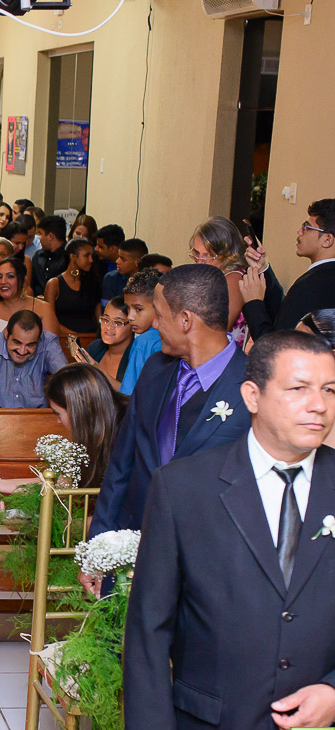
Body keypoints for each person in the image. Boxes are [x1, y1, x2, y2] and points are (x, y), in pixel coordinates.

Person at [123, 331, 335, 730]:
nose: (319, 405)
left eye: (329, 390)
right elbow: (149, 624)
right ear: (252, 396)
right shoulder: (184, 487)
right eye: (298, 389)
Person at [85, 265, 251, 555]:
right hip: (136, 543)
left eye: (159, 315)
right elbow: (122, 463)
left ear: (185, 320)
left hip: (208, 555)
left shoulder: (251, 385)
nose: (155, 325)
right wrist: (99, 547)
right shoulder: (155, 369)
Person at [0, 362, 126, 493]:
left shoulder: (127, 427)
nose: (58, 421)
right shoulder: (98, 427)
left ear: (77, 409)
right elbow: (60, 482)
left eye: (58, 413)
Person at [241, 198, 335, 340]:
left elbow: (273, 350)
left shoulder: (311, 285)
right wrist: (262, 268)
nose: (299, 231)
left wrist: (253, 302)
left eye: (306, 227)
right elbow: (286, 315)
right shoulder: (323, 278)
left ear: (327, 240)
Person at [0, 310, 68, 409]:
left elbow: (68, 379)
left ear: (39, 339)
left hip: (38, 417)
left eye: (30, 345)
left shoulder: (48, 342)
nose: (22, 351)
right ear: (6, 333)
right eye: (17, 342)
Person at [188, 216, 253, 346]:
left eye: (209, 256)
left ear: (228, 254)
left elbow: (217, 329)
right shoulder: (212, 277)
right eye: (196, 253)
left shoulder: (234, 279)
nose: (200, 261)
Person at [0, 255, 60, 345]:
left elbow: (52, 350)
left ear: (23, 280)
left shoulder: (44, 309)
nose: (3, 281)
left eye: (10, 276)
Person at [118, 268, 165, 395]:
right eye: (128, 308)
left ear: (158, 306)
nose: (130, 317)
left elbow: (129, 394)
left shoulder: (144, 342)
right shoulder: (174, 336)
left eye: (138, 309)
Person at [44, 237, 101, 334]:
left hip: (90, 337)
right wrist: (75, 336)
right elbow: (49, 319)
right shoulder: (54, 284)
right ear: (73, 256)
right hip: (63, 338)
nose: (91, 260)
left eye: (92, 256)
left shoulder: (92, 282)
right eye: (87, 256)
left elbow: (98, 316)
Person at [73, 297, 134, 388]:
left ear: (133, 325)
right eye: (105, 319)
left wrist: (99, 371)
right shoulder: (95, 347)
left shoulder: (137, 354)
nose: (109, 327)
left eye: (118, 322)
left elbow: (132, 395)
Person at [31, 215, 69, 296]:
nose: (38, 238)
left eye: (40, 233)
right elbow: (32, 284)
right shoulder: (38, 257)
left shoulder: (69, 257)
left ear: (50, 236)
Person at [101, 235, 143, 305]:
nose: (117, 261)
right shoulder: (111, 278)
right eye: (118, 257)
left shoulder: (148, 281)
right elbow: (106, 307)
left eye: (123, 259)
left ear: (137, 262)